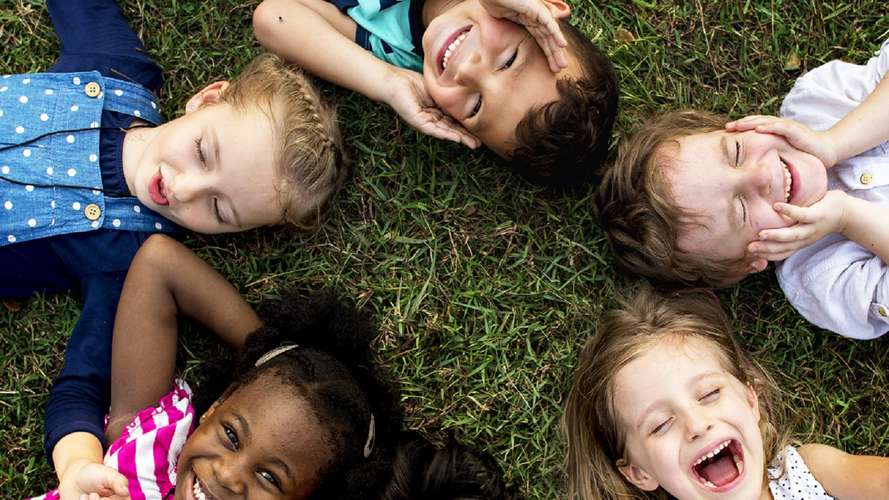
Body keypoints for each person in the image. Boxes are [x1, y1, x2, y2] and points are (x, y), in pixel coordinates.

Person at [1, 0, 346, 475]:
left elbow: (82, 386)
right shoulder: (117, 69)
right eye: (204, 152)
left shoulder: (125, 261)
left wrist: (79, 465)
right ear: (207, 98)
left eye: (219, 209)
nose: (184, 188)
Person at [32, 234, 517, 500]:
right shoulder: (149, 449)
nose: (228, 475)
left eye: (271, 479)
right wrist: (275, 356)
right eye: (232, 435)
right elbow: (160, 264)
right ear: (214, 407)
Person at [595, 38, 889, 339]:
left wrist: (835, 141)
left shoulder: (817, 100)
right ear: (748, 262)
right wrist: (848, 217)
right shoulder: (822, 279)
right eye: (741, 209)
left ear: (737, 126)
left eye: (736, 151)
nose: (761, 176)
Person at [561, 286, 889, 499]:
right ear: (639, 473)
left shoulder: (809, 471)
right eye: (660, 424)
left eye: (709, 394)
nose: (697, 424)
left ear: (750, 400)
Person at [252, 0, 618, 186]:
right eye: (508, 60)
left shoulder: (393, 51)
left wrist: (388, 82)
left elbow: (274, 16)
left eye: (475, 106)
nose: (468, 70)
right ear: (543, 8)